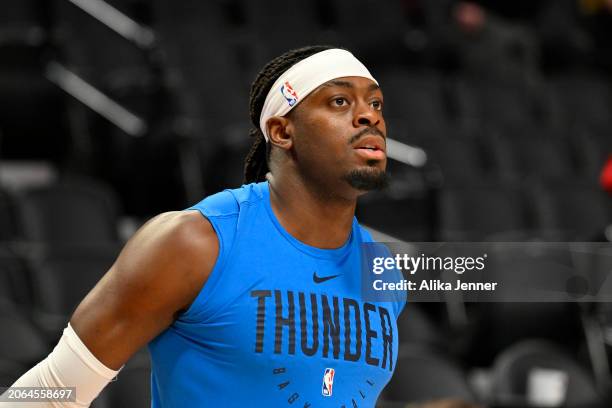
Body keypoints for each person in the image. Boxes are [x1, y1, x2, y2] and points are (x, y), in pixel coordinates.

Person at [1, 45, 405, 407]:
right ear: (282, 132)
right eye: (339, 101)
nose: (370, 115)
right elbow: (54, 388)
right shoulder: (194, 243)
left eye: (377, 104)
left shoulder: (381, 270)